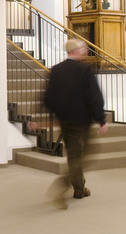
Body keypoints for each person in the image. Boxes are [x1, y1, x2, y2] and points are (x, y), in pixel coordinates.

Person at [36, 39, 109, 209]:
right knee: (88, 153)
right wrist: (101, 120)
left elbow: (47, 98)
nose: (85, 50)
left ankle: (79, 189)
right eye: (83, 48)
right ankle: (61, 186)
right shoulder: (85, 70)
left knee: (74, 155)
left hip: (65, 121)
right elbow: (94, 97)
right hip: (82, 121)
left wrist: (53, 116)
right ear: (76, 51)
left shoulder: (56, 70)